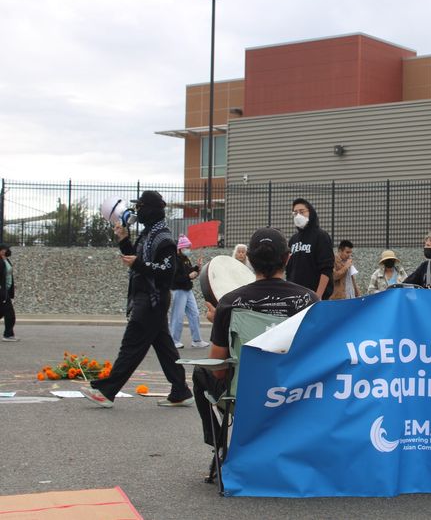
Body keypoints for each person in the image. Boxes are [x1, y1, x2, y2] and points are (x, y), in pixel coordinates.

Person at [193, 227, 318, 447]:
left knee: (200, 371)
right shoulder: (310, 300)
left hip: (244, 396)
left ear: (249, 259)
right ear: (287, 258)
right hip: (298, 394)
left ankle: (218, 442)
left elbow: (219, 369)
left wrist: (220, 325)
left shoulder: (230, 302)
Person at [81, 190, 193, 409]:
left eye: (140, 207)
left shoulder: (164, 239)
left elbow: (167, 272)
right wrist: (124, 240)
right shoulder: (149, 234)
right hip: (150, 299)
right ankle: (180, 390)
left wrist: (139, 264)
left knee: (131, 346)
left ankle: (106, 391)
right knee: (164, 348)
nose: (137, 211)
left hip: (152, 300)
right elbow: (135, 258)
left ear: (150, 210)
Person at [285, 198, 334, 299]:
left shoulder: (321, 236)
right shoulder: (293, 239)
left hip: (315, 297)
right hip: (295, 297)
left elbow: (326, 269)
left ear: (310, 212)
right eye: (295, 213)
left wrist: (318, 296)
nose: (298, 215)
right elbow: (289, 270)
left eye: (302, 212)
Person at [169, 234, 208, 349]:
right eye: (186, 248)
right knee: (178, 316)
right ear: (180, 248)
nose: (188, 250)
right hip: (179, 290)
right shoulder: (175, 260)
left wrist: (196, 268)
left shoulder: (186, 260)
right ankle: (174, 340)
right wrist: (189, 276)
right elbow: (175, 278)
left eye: (189, 247)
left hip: (187, 290)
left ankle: (196, 340)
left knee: (194, 314)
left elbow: (190, 272)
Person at [0, 244, 18, 342]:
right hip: (1, 292)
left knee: (2, 312)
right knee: (10, 314)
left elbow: (8, 275)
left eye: (6, 249)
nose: (5, 251)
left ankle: (9, 334)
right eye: (3, 249)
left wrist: (11, 286)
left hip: (5, 290)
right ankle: (8, 335)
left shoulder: (6, 259)